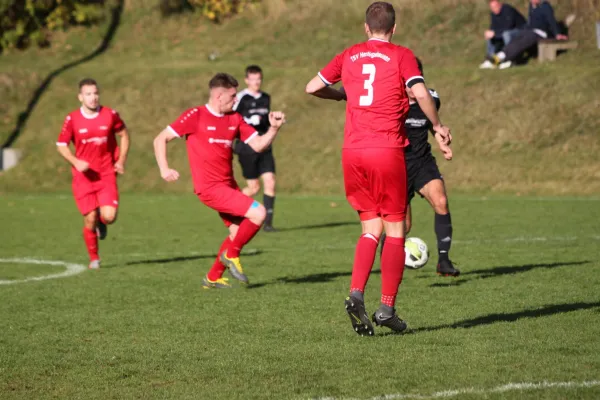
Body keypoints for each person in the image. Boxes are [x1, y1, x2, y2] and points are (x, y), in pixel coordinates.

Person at [305, 1, 451, 335]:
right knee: (396, 229)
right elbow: (420, 92)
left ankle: (356, 292)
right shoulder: (401, 55)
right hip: (386, 149)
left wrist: (342, 96)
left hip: (352, 152)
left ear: (366, 27)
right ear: (394, 28)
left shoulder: (350, 54)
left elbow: (312, 88)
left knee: (371, 228)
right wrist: (439, 125)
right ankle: (386, 307)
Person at [153, 73, 285, 289]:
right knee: (259, 213)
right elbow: (160, 139)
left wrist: (274, 129)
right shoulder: (195, 115)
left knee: (236, 233)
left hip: (228, 186)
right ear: (219, 95)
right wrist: (164, 168)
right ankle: (232, 255)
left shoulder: (235, 118)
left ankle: (212, 277)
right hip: (209, 188)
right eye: (233, 96)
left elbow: (259, 145)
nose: (237, 100)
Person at [382, 59, 459, 277]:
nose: (415, 88)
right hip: (395, 167)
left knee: (441, 202)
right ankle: (386, 265)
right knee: (402, 226)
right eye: (409, 83)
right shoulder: (389, 102)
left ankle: (443, 262)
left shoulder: (432, 98)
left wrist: (441, 141)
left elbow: (434, 125)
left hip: (422, 161)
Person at [56, 78, 130, 269]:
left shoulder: (110, 115)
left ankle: (102, 223)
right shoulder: (72, 119)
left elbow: (124, 134)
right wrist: (75, 161)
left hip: (105, 174)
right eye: (88, 94)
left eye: (96, 93)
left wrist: (120, 160)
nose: (93, 97)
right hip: (84, 177)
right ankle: (94, 259)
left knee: (110, 216)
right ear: (80, 97)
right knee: (89, 218)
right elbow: (61, 145)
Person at [233, 65, 277, 232]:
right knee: (254, 187)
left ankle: (268, 224)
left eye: (259, 79)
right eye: (253, 79)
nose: (256, 82)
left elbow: (265, 121)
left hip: (264, 145)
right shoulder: (240, 99)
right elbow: (232, 120)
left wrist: (273, 121)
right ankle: (232, 207)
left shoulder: (266, 98)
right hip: (247, 147)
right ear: (246, 80)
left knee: (270, 181)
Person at [489, 0, 568, 68]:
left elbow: (552, 21)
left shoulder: (545, 6)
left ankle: (505, 58)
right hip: (530, 31)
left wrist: (557, 34)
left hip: (540, 33)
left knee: (522, 42)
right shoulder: (532, 6)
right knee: (516, 39)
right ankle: (499, 56)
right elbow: (530, 21)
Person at [479, 0, 526, 69]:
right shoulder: (493, 14)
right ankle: (491, 59)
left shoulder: (508, 10)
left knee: (506, 34)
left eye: (496, 6)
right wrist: (490, 33)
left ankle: (510, 59)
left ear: (500, 5)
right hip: (506, 32)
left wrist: (495, 33)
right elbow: (493, 27)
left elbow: (508, 26)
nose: (494, 9)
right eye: (492, 8)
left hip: (521, 31)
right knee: (490, 35)